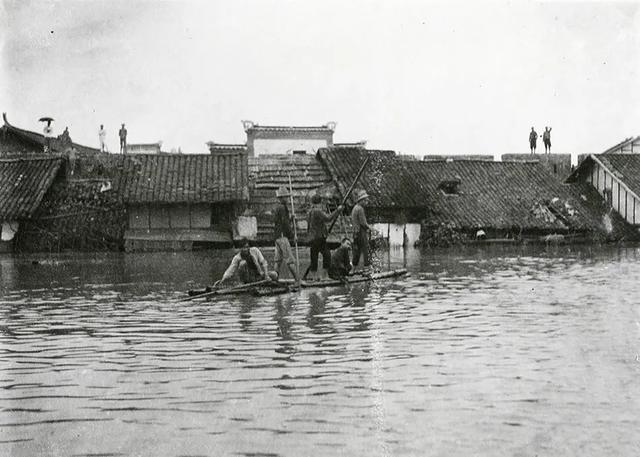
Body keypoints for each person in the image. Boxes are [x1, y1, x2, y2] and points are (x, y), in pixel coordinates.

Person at [306, 194, 343, 280]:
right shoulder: (317, 211)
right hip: (319, 237)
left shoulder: (310, 212)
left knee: (314, 256)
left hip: (313, 238)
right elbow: (328, 218)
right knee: (327, 255)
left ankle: (314, 276)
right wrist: (337, 210)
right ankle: (324, 276)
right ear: (320, 203)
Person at [273, 186, 299, 281]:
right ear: (282, 198)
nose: (288, 199)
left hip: (277, 237)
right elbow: (285, 224)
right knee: (290, 259)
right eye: (286, 197)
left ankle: (275, 280)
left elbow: (282, 221)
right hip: (283, 237)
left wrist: (290, 218)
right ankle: (297, 280)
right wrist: (292, 236)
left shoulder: (278, 208)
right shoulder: (282, 208)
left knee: (278, 260)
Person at [351, 189, 372, 272]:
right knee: (365, 248)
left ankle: (353, 269)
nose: (366, 202)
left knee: (357, 250)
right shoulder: (360, 209)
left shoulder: (355, 208)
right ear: (361, 200)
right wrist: (371, 228)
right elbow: (363, 223)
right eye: (365, 200)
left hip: (355, 232)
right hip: (360, 232)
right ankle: (367, 268)